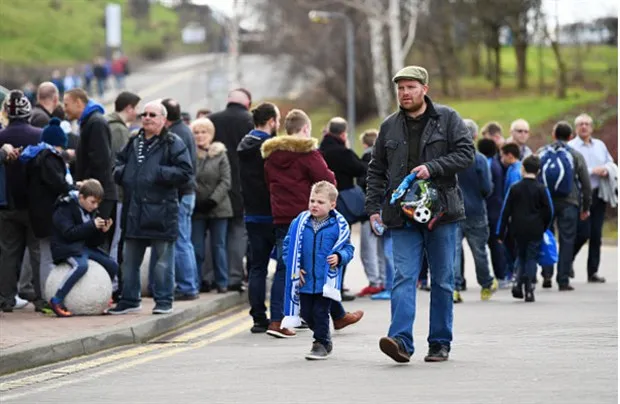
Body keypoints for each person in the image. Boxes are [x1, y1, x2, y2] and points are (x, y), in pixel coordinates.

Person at [365, 66, 474, 363]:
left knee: (441, 280)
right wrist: (373, 208)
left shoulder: (448, 119)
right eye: (400, 88)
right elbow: (376, 170)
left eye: (410, 87)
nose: (404, 93)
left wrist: (433, 167)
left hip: (442, 214)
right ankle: (400, 340)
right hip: (402, 215)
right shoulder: (388, 126)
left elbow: (467, 154)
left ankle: (439, 343)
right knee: (403, 277)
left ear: (424, 89)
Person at [262, 109, 363, 338]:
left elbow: (268, 182)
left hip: (280, 215)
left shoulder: (271, 156)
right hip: (306, 216)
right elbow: (328, 181)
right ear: (306, 129)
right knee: (310, 265)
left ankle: (336, 316)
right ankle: (278, 320)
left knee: (287, 264)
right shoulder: (307, 153)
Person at [108, 101, 192, 315]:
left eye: (152, 114)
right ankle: (129, 300)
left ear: (163, 120)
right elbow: (117, 163)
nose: (146, 117)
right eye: (144, 114)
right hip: (134, 210)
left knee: (163, 263)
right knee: (129, 260)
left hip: (161, 212)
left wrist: (157, 172)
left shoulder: (173, 142)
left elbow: (185, 172)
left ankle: (164, 301)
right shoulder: (134, 140)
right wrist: (123, 174)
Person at [282, 181, 354, 360]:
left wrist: (339, 256)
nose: (314, 205)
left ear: (332, 205)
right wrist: (294, 268)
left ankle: (320, 343)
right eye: (312, 200)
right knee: (306, 314)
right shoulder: (299, 223)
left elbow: (348, 249)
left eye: (320, 202)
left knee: (320, 312)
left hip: (326, 281)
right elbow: (286, 246)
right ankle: (324, 338)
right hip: (305, 280)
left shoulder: (339, 226)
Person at [0, 90, 47, 312]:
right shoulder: (40, 134)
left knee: (8, 253)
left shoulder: (1, 137)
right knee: (36, 252)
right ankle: (40, 298)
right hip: (35, 204)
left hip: (7, 203)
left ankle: (6, 299)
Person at [238, 102, 280, 333]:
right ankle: (279, 315)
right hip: (273, 213)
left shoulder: (243, 145)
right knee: (284, 266)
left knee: (257, 268)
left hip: (252, 214)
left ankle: (258, 318)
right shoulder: (270, 147)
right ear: (272, 121)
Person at [48, 180, 118, 317]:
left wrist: (102, 231)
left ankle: (104, 299)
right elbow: (69, 234)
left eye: (98, 203)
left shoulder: (90, 210)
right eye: (92, 202)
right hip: (65, 247)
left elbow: (93, 241)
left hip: (83, 247)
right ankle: (57, 299)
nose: (95, 206)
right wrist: (92, 225)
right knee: (81, 266)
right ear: (81, 197)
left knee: (112, 265)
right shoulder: (65, 207)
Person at [20, 117, 74, 291]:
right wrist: (73, 188)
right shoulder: (49, 157)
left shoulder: (35, 155)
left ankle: (44, 293)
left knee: (43, 254)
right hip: (48, 212)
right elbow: (57, 183)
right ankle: (47, 294)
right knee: (47, 257)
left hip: (38, 211)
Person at [209, 89, 254, 292]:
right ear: (248, 103)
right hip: (243, 185)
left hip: (213, 185)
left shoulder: (211, 121)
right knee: (238, 231)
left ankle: (209, 277)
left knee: (213, 233)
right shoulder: (250, 121)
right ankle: (234, 277)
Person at [538, 121, 591, 290]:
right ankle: (563, 279)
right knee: (567, 240)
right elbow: (586, 184)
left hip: (545, 201)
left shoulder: (541, 153)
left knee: (547, 236)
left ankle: (546, 275)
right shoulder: (575, 155)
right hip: (569, 202)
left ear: (553, 135)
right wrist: (586, 206)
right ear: (571, 136)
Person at [319, 117, 366, 301]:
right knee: (340, 247)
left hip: (321, 204)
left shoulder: (319, 151)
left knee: (324, 246)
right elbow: (360, 168)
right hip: (341, 205)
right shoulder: (342, 152)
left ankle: (327, 286)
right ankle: (336, 286)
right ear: (343, 133)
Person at [497, 156, 553, 302]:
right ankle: (529, 288)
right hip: (535, 229)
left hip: (518, 228)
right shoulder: (541, 189)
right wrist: (544, 226)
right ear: (539, 171)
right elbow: (549, 211)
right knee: (531, 257)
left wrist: (500, 232)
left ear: (522, 169)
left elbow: (506, 211)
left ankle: (517, 283)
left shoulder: (514, 188)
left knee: (520, 256)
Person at [453, 119, 497, 303]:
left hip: (453, 210)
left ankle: (454, 288)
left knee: (453, 251)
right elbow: (487, 188)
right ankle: (486, 283)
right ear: (476, 136)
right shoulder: (479, 159)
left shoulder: (451, 157)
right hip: (476, 211)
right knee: (479, 251)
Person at [569, 113, 614, 283]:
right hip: (580, 195)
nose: (584, 127)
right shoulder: (572, 147)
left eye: (587, 124)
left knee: (596, 234)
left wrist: (606, 169)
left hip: (598, 194)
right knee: (582, 233)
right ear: (576, 128)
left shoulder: (600, 146)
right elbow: (572, 169)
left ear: (592, 127)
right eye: (580, 124)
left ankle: (593, 272)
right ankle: (568, 260)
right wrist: (591, 171)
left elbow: (610, 162)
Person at [161, 98, 199, 300]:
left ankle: (187, 286)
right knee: (187, 241)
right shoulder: (185, 130)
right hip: (190, 191)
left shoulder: (175, 135)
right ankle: (190, 283)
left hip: (182, 193)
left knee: (181, 241)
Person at [191, 117, 232, 295]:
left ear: (211, 134)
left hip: (219, 207)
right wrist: (197, 201)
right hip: (197, 208)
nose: (200, 136)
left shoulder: (220, 153)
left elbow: (226, 181)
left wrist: (212, 201)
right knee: (197, 248)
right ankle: (197, 282)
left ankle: (222, 282)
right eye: (196, 132)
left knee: (218, 247)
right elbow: (188, 178)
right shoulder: (190, 154)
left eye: (204, 132)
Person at [64, 89, 117, 221]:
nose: (65, 109)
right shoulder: (88, 122)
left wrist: (91, 194)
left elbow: (100, 161)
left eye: (66, 105)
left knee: (98, 240)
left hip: (99, 197)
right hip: (93, 195)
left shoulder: (96, 123)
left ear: (78, 103)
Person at [357, 129, 387, 297]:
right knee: (383, 248)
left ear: (365, 144)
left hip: (371, 209)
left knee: (368, 248)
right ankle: (383, 280)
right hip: (385, 207)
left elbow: (365, 183)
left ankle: (374, 282)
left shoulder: (366, 159)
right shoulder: (387, 157)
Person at [477, 137, 508, 287]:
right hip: (497, 207)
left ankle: (500, 275)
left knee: (494, 245)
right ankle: (501, 275)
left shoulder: (487, 164)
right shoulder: (496, 163)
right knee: (496, 243)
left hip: (491, 209)